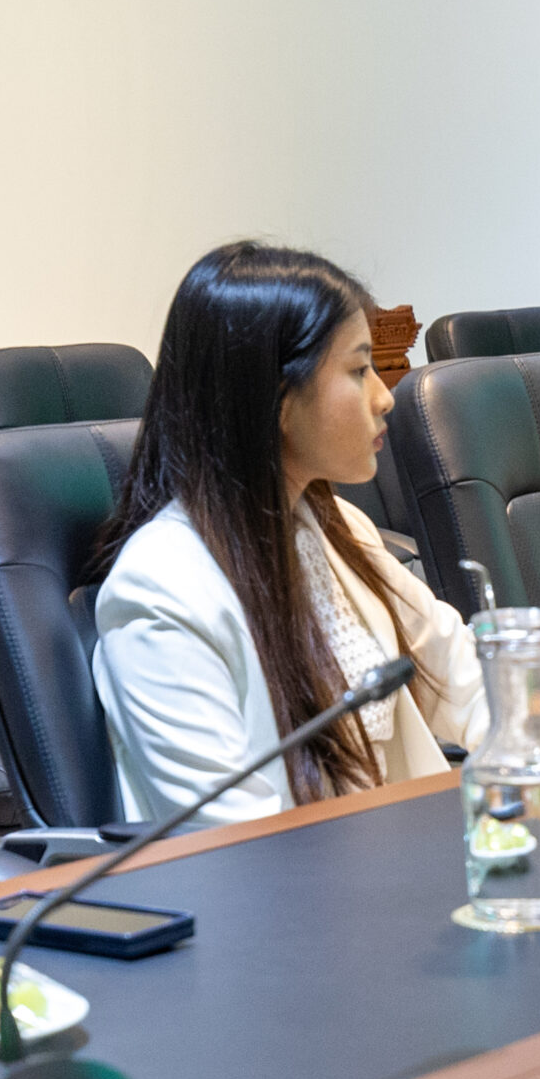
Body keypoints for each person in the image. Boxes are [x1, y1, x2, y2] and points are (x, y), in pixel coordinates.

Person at [91, 244, 487, 825]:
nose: (384, 397)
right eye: (359, 371)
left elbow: (461, 678)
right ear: (276, 400)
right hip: (293, 878)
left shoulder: (337, 527)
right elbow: (235, 838)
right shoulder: (159, 589)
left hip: (402, 851)